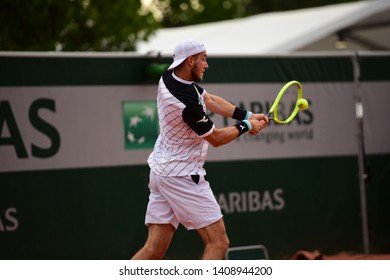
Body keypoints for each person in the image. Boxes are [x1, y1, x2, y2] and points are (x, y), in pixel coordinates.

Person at [131, 39, 269, 260]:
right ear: (189, 61)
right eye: (203, 59)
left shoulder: (169, 77)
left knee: (154, 250)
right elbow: (215, 138)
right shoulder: (185, 104)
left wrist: (246, 115)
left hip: (161, 172)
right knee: (218, 243)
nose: (207, 65)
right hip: (182, 176)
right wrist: (246, 126)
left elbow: (210, 99)